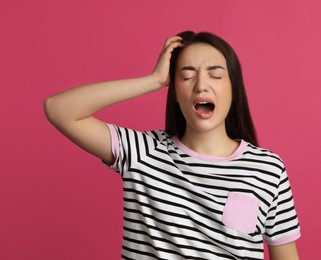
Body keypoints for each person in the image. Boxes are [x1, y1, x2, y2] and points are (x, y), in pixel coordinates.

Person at [44, 31, 301, 260]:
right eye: (187, 76)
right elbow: (59, 109)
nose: (201, 85)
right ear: (175, 93)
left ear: (233, 89)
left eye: (215, 75)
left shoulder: (268, 168)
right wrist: (154, 80)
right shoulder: (143, 152)